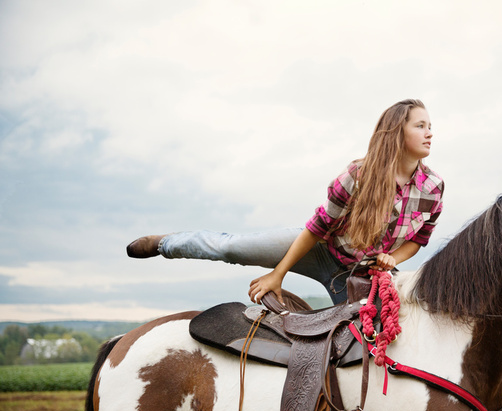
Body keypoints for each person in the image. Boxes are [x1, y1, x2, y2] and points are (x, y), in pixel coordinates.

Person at [126, 99, 444, 306]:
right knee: (231, 249)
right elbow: (317, 229)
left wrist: (392, 257)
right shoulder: (357, 177)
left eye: (430, 126)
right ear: (396, 131)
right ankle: (165, 244)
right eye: (420, 125)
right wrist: (278, 274)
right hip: (319, 249)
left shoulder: (433, 188)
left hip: (363, 274)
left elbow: (419, 239)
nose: (430, 132)